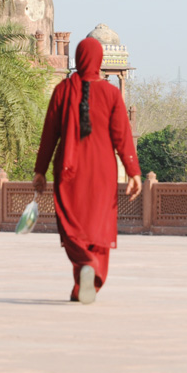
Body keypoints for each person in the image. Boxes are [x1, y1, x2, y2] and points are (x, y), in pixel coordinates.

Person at [33, 37, 142, 304]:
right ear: (100, 60)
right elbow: (123, 137)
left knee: (72, 226)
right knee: (99, 228)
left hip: (69, 171)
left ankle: (84, 268)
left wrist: (40, 170)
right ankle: (92, 275)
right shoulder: (112, 93)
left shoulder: (62, 90)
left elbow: (50, 134)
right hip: (103, 172)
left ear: (78, 58)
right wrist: (133, 171)